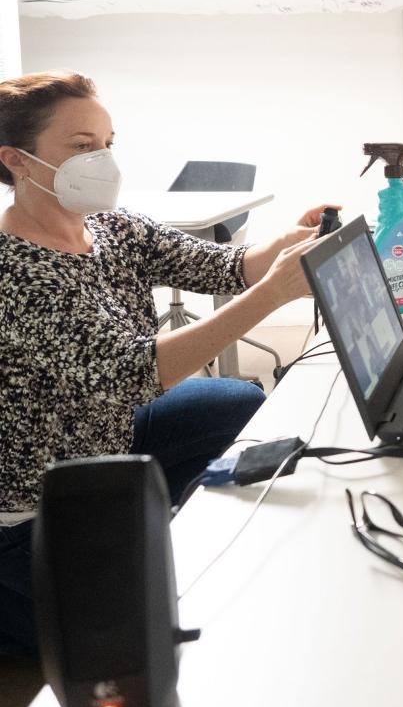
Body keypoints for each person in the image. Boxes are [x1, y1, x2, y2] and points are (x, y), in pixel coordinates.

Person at [0, 71, 331, 658]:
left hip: (106, 437)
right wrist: (275, 294)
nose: (102, 160)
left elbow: (224, 268)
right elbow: (136, 372)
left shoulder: (111, 226)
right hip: (36, 508)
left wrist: (287, 242)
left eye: (107, 143)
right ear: (17, 161)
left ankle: (144, 534)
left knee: (236, 400)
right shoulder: (17, 273)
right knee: (123, 644)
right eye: (81, 147)